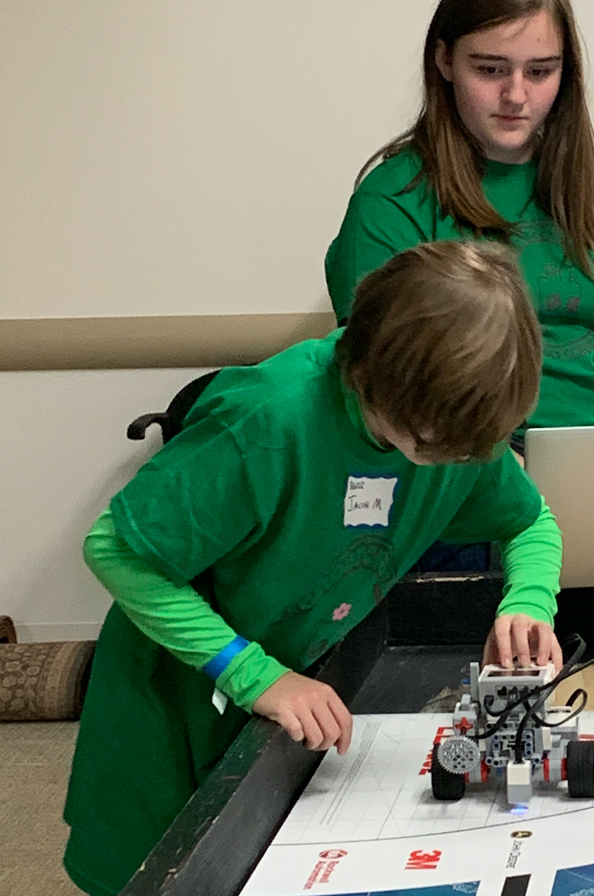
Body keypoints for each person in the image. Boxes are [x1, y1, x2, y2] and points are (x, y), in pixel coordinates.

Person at [63, 242, 563, 896]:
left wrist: (527, 598)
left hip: (287, 676)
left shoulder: (449, 426)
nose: (450, 464)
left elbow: (529, 520)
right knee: (167, 873)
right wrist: (251, 672)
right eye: (431, 444)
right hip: (171, 697)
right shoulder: (266, 421)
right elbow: (115, 550)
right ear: (372, 373)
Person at [325, 0, 594, 445]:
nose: (516, 95)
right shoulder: (392, 201)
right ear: (445, 59)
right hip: (468, 465)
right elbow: (392, 397)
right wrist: (513, 491)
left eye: (540, 72)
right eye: (491, 70)